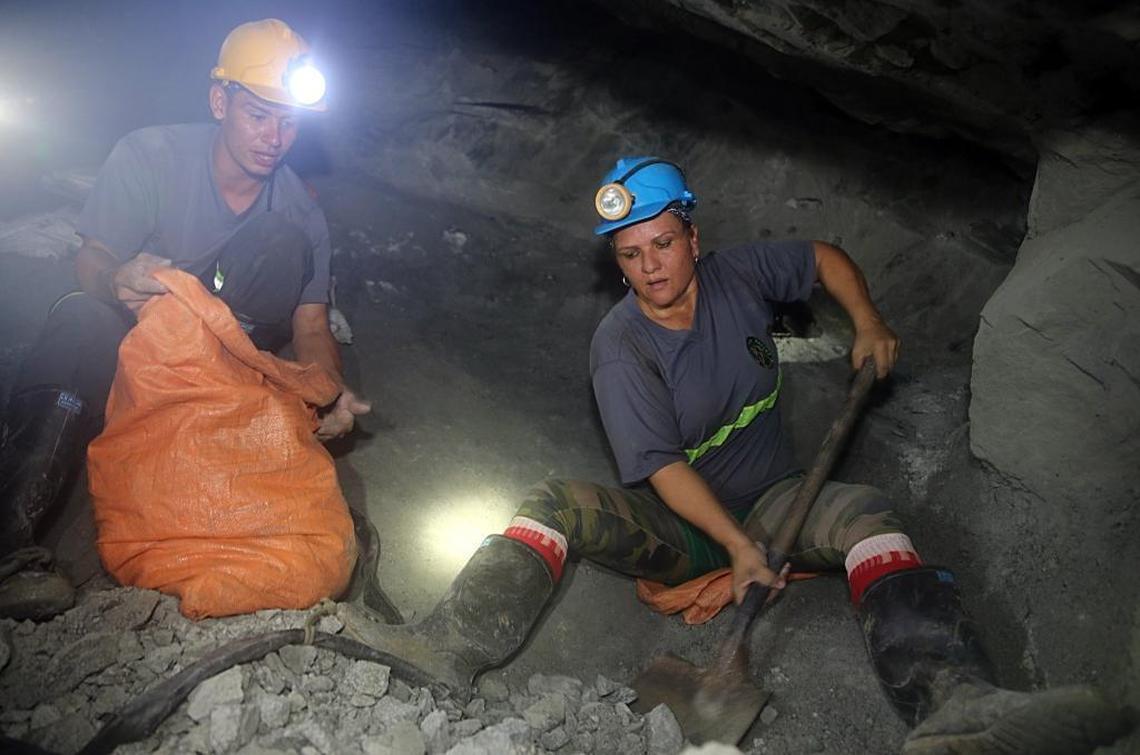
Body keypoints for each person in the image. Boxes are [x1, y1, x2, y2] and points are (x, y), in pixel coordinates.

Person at [341, 157, 1129, 752]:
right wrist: (737, 546)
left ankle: (953, 698)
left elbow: (822, 256)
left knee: (866, 513)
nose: (650, 266)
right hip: (680, 524)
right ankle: (450, 646)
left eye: (662, 243)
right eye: (629, 254)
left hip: (777, 491)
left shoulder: (738, 276)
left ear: (693, 233)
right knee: (554, 502)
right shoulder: (620, 347)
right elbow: (663, 467)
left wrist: (867, 318)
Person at [0, 19, 371, 621]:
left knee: (278, 241)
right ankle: (10, 548)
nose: (275, 137)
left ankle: (213, 451)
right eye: (258, 115)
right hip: (134, 345)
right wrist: (115, 278)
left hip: (227, 363)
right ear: (220, 101)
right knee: (77, 321)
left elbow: (310, 323)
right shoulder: (151, 154)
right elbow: (91, 259)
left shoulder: (299, 209)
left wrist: (330, 391)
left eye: (289, 120)